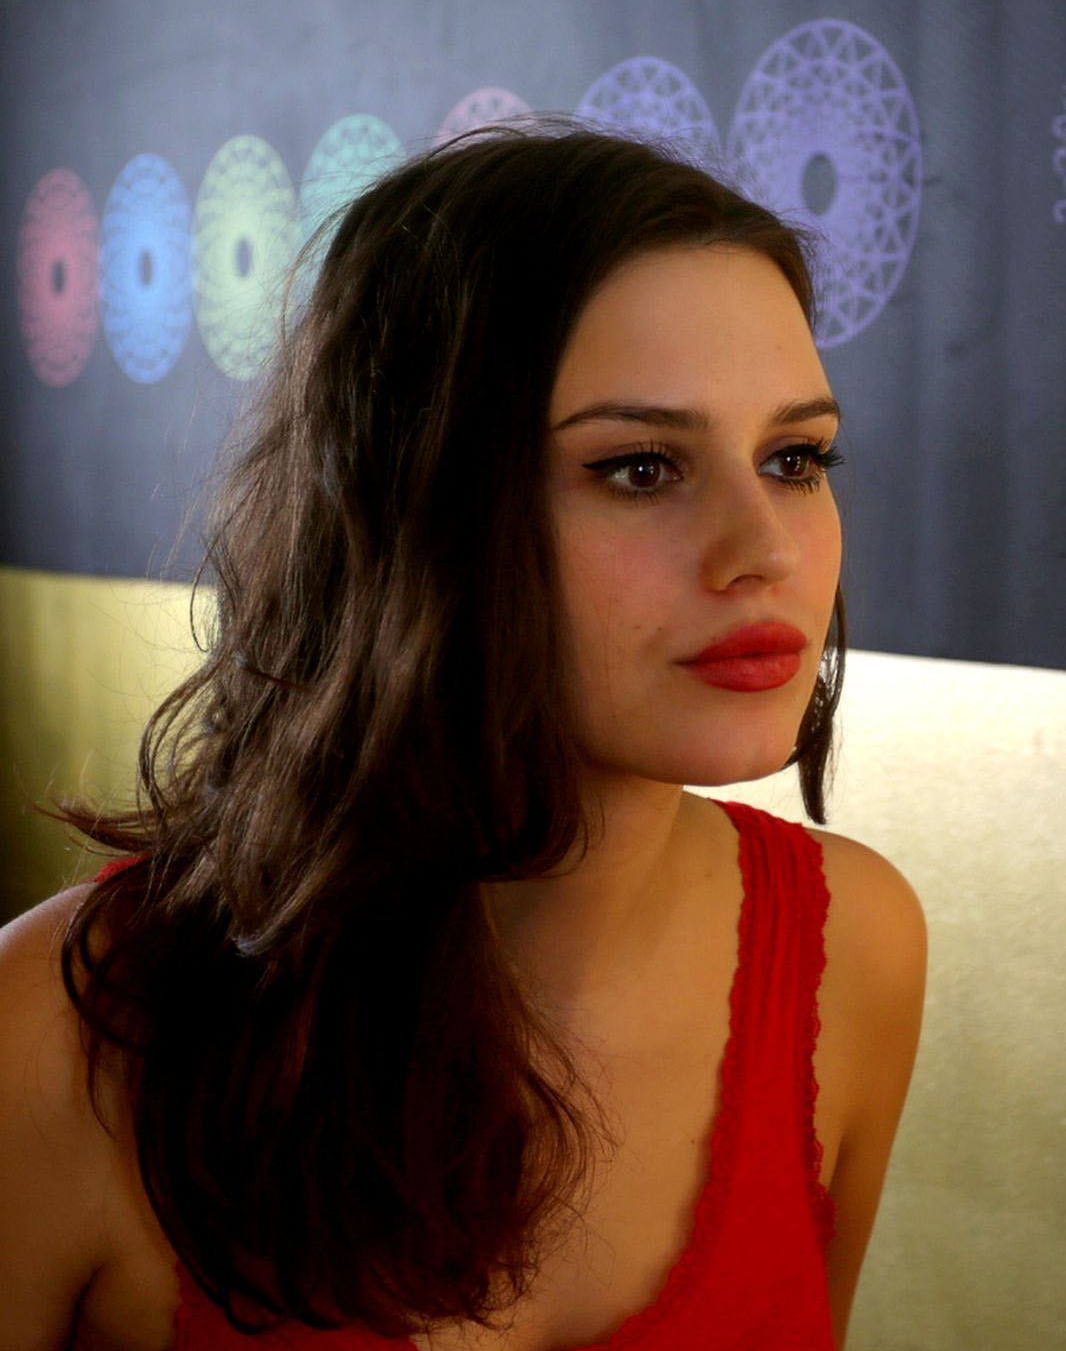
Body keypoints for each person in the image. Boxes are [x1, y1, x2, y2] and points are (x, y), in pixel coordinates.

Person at [0, 123, 926, 1350]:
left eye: (794, 457)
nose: (762, 549)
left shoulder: (850, 949)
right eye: (640, 469)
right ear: (414, 505)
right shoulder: (60, 1037)